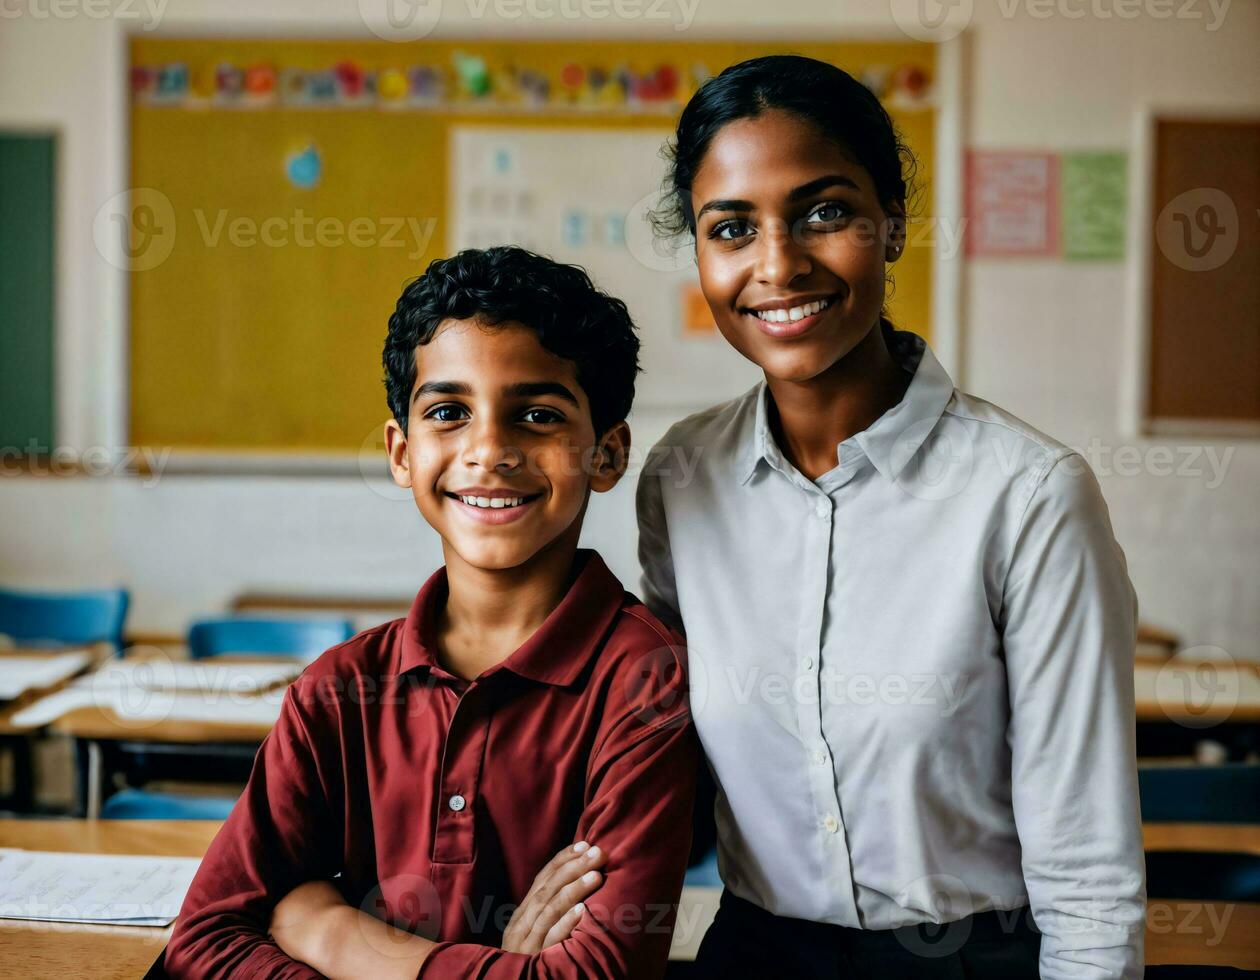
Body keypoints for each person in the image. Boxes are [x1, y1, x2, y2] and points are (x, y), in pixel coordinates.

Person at [637, 55, 1145, 979]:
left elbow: (1087, 862)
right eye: (732, 228)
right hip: (753, 957)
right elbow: (671, 764)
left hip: (970, 959)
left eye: (825, 212)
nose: (778, 264)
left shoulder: (1027, 495)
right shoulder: (681, 477)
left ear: (894, 224)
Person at [165, 246, 698, 979]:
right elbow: (203, 939)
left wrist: (337, 938)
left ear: (606, 455)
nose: (489, 450)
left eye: (538, 415)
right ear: (401, 452)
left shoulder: (644, 681)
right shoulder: (339, 688)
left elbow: (597, 974)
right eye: (449, 412)